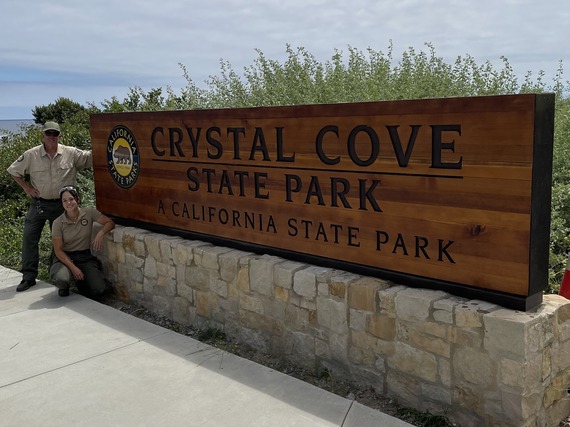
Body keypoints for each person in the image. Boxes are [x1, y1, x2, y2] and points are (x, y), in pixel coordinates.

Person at [7, 121, 92, 292]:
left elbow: (91, 157)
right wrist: (26, 187)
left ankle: (60, 279)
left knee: (60, 243)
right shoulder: (31, 155)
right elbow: (13, 171)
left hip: (63, 206)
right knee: (29, 238)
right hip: (39, 204)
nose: (51, 137)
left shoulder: (71, 153)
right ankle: (28, 277)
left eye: (55, 134)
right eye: (48, 134)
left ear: (59, 135)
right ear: (43, 135)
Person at [50, 185, 115, 299]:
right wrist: (73, 267)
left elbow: (110, 223)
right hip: (65, 257)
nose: (68, 203)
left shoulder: (89, 213)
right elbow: (58, 250)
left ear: (78, 199)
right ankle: (65, 284)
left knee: (99, 290)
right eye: (64, 200)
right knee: (62, 279)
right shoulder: (58, 223)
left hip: (83, 257)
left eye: (71, 199)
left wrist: (100, 233)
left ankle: (82, 280)